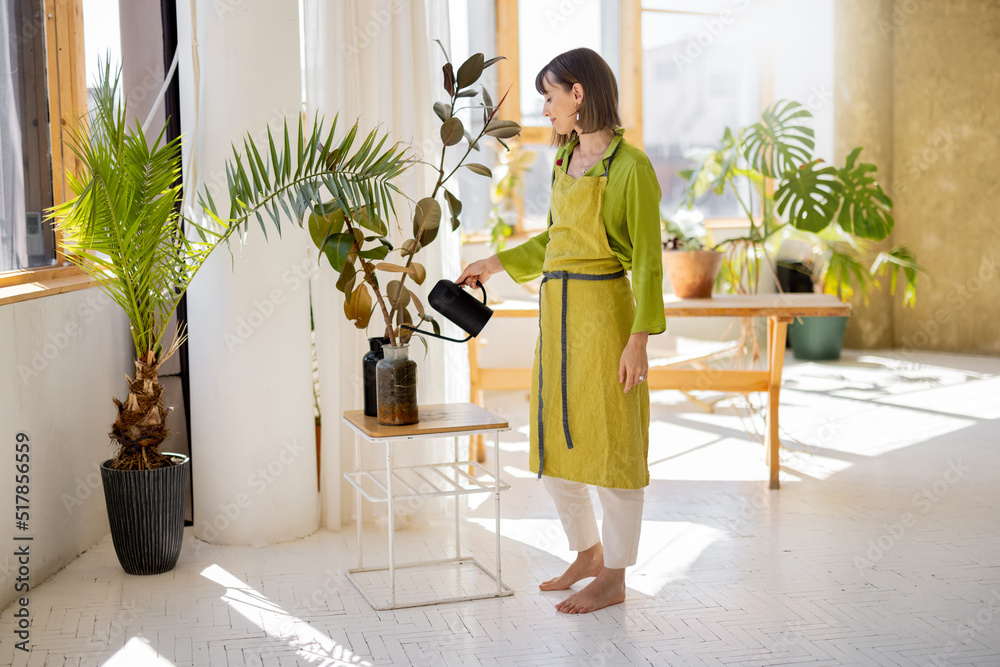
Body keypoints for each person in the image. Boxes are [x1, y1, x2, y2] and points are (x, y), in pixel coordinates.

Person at [456, 47, 665, 614]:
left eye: (549, 96)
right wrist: (491, 264)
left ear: (579, 94)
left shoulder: (632, 169)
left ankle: (615, 575)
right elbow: (556, 240)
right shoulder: (564, 159)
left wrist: (638, 339)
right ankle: (588, 553)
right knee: (555, 443)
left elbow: (647, 261)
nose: (544, 109)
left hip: (605, 316)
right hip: (560, 315)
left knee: (613, 446)